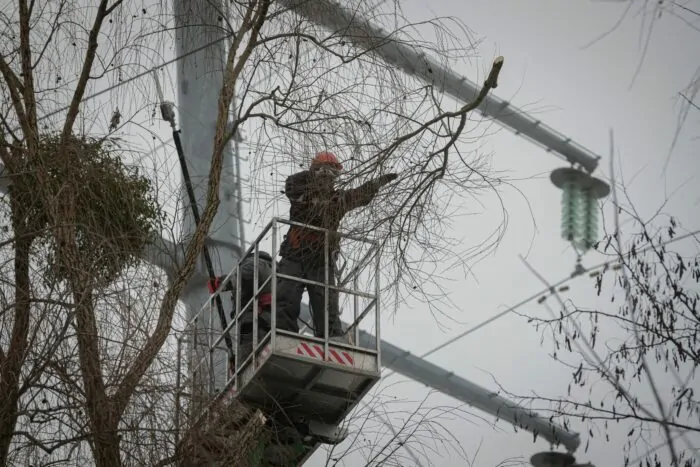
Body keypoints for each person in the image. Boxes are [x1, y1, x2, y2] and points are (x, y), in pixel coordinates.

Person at [276, 151, 397, 343]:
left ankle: (331, 339)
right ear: (314, 172)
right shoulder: (301, 191)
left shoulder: (337, 200)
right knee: (286, 297)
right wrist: (312, 176)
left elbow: (358, 195)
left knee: (326, 304)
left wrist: (375, 184)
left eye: (331, 173)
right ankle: (283, 335)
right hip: (295, 254)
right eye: (322, 171)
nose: (326, 177)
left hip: (321, 259)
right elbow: (292, 184)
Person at [208, 251, 274, 366]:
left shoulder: (254, 262)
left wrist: (222, 283)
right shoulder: (276, 270)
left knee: (246, 365)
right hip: (269, 322)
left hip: (255, 323)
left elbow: (244, 276)